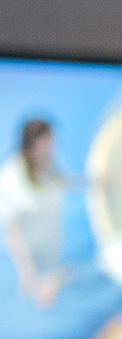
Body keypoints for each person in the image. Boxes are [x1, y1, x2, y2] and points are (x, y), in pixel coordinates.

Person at [0, 117, 75, 308]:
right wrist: (25, 270)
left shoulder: (48, 163)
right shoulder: (12, 177)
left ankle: (50, 282)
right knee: (42, 295)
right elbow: (12, 228)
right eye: (49, 143)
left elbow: (62, 181)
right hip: (30, 245)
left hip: (51, 237)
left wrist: (95, 182)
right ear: (37, 142)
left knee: (52, 278)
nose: (52, 148)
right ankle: (42, 287)